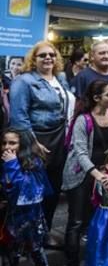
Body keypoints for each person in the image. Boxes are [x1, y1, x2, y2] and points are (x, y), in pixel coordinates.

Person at [62, 79, 108, 266]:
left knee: (97, 221)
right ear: (97, 98)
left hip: (107, 174)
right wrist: (100, 176)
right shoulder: (84, 120)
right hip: (82, 175)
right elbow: (80, 152)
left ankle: (95, 263)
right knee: (76, 222)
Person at [9, 41, 75, 234]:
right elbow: (18, 117)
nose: (48, 58)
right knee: (33, 190)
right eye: (43, 55)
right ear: (33, 59)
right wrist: (32, 143)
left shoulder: (60, 78)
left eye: (52, 55)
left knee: (53, 190)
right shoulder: (24, 81)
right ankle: (25, 236)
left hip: (59, 139)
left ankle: (44, 232)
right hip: (36, 139)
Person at [0, 129, 53, 266]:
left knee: (38, 255)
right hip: (11, 220)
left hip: (31, 219)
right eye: (4, 143)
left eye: (12, 143)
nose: (7, 147)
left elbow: (26, 192)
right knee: (10, 258)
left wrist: (12, 164)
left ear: (22, 145)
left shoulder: (33, 163)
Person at [71, 41, 108, 111]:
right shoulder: (82, 77)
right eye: (102, 53)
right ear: (92, 56)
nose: (107, 56)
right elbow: (75, 104)